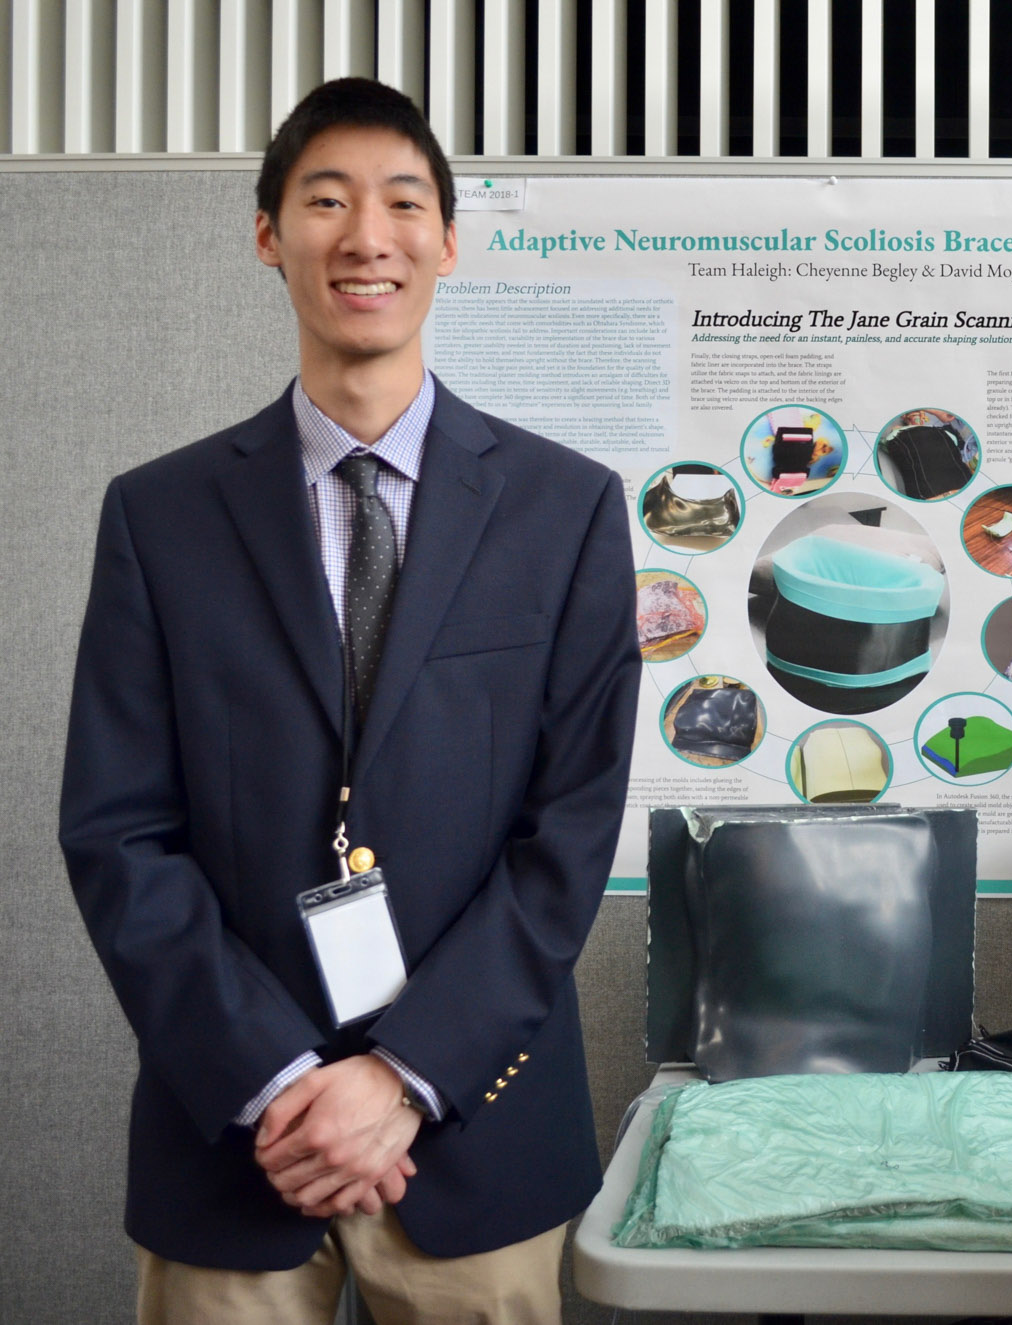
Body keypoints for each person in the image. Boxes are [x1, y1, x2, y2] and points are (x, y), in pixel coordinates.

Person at [59, 77, 640, 1324]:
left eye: (400, 202)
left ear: (445, 238)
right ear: (270, 234)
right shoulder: (159, 517)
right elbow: (118, 831)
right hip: (232, 1138)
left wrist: (407, 1071)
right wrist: (275, 1079)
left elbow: (570, 834)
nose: (364, 234)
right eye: (324, 200)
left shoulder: (566, 508)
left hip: (474, 1128)